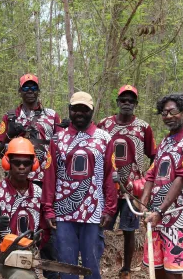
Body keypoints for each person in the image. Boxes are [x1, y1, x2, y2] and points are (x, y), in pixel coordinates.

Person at [42, 91, 118, 279]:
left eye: (84, 109)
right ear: (69, 110)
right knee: (67, 266)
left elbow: (110, 175)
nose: (80, 113)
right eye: (76, 109)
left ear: (92, 111)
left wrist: (110, 209)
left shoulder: (104, 138)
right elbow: (50, 175)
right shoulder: (58, 139)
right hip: (63, 211)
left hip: (93, 211)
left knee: (91, 263)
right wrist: (48, 209)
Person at [140, 93, 183, 279]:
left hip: (178, 215)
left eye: (172, 112)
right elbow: (152, 173)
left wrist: (161, 210)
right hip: (155, 214)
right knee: (157, 266)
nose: (167, 116)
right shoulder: (165, 141)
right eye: (164, 113)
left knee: (173, 270)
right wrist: (144, 202)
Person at [97, 84, 156, 279]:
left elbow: (154, 155)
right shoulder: (104, 125)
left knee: (129, 230)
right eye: (123, 100)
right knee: (100, 227)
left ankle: (126, 270)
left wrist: (146, 178)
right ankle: (94, 265)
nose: (127, 104)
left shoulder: (143, 127)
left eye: (131, 101)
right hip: (108, 188)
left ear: (136, 104)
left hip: (132, 189)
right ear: (117, 102)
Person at [0, 137, 45, 279]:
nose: (22, 167)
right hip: (5, 256)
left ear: (33, 165)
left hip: (32, 254)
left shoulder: (39, 193)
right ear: (8, 163)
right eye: (17, 163)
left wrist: (40, 238)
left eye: (26, 163)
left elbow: (46, 229)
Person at [0, 73, 62, 188]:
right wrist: (9, 135)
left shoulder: (52, 116)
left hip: (45, 178)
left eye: (34, 87)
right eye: (26, 88)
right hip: (16, 178)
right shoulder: (10, 116)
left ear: (38, 90)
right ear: (20, 91)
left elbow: (61, 148)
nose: (30, 91)